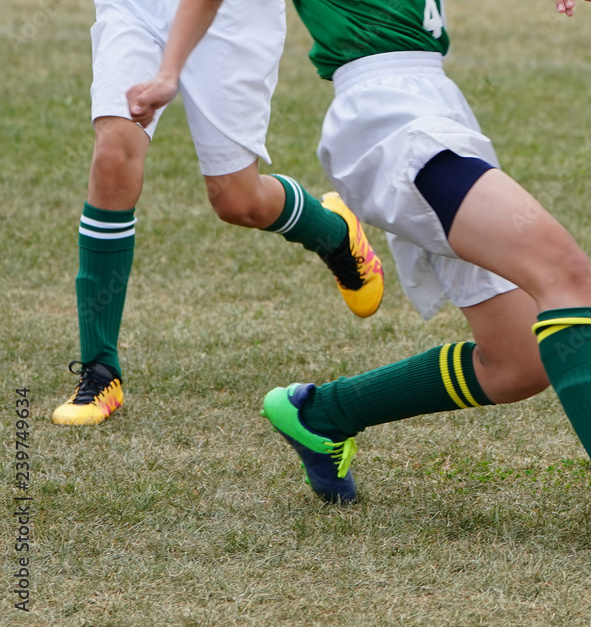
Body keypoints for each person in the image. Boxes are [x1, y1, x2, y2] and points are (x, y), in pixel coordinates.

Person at [130, 0, 591, 559]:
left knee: (519, 362)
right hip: (387, 117)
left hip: (431, 103)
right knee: (563, 270)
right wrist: (169, 70)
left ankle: (320, 415)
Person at [52, 0, 384, 426]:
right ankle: (100, 370)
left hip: (232, 16)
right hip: (137, 7)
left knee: (237, 201)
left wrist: (168, 72)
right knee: (113, 155)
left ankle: (334, 232)